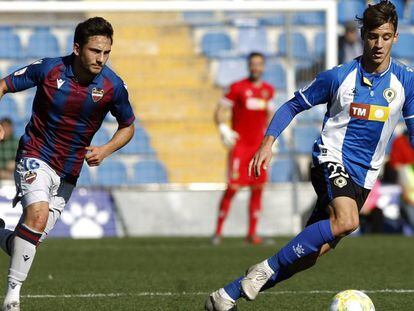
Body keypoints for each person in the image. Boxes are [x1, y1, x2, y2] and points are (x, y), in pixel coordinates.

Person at [205, 1, 412, 310]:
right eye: (372, 36)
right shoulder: (339, 76)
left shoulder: (406, 81)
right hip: (331, 158)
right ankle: (262, 270)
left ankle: (228, 294)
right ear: (362, 35)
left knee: (310, 254)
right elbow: (291, 105)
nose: (378, 44)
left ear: (395, 37)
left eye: (385, 36)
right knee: (347, 220)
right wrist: (267, 143)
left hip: (365, 175)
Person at [0, 17, 135, 311]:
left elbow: (128, 125)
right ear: (77, 48)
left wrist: (107, 149)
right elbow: (3, 85)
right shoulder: (49, 69)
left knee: (26, 242)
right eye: (95, 51)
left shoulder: (112, 86)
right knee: (37, 215)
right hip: (35, 153)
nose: (101, 58)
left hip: (69, 170)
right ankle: (12, 298)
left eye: (106, 52)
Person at [213, 52, 275, 245]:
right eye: (253, 64)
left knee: (258, 188)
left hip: (258, 147)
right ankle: (218, 232)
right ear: (249, 66)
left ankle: (252, 234)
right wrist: (223, 128)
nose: (256, 67)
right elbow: (219, 111)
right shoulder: (237, 87)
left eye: (259, 64)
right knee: (233, 187)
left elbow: (270, 115)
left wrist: (274, 139)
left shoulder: (268, 90)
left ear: (263, 67)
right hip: (240, 146)